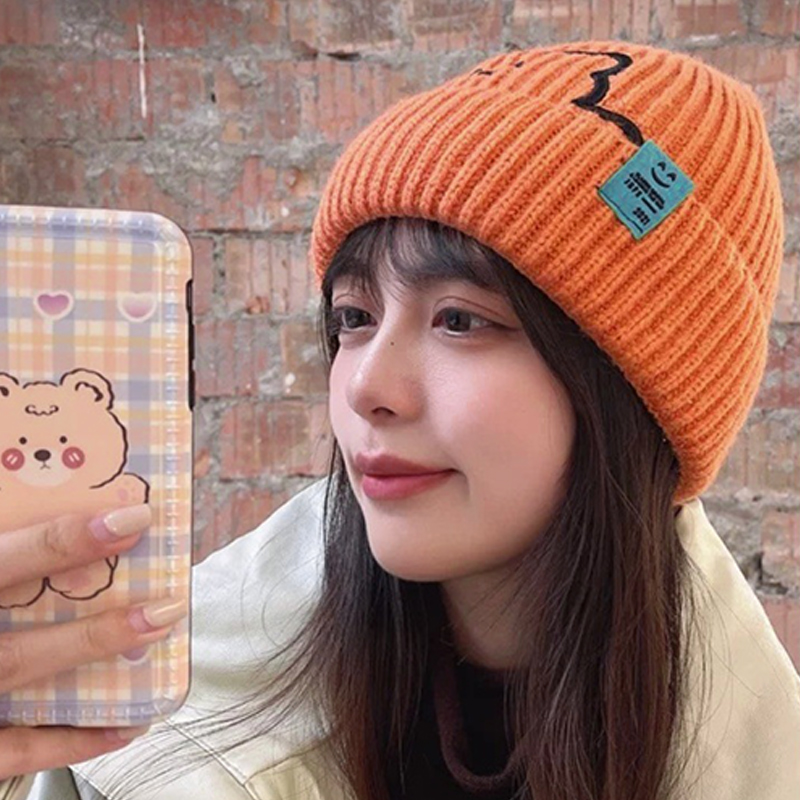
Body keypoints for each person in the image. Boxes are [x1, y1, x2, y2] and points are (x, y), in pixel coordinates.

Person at [1, 38, 799, 800]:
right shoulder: (150, 720)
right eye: (354, 317)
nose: (366, 386)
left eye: (460, 320)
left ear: (633, 391)